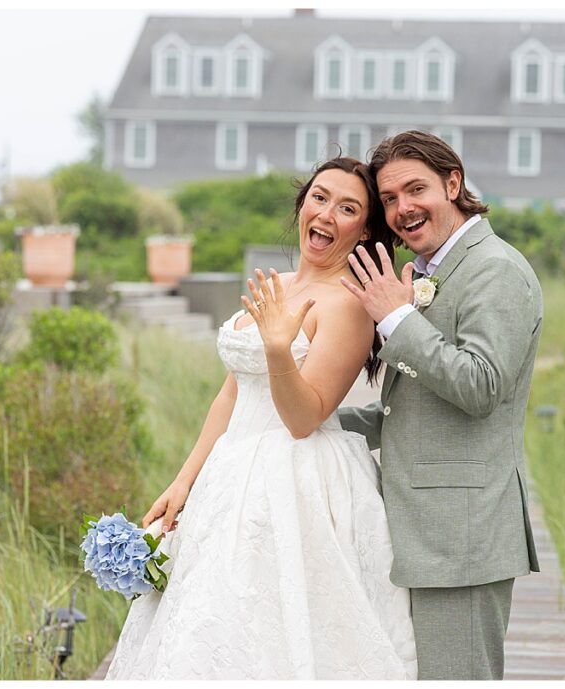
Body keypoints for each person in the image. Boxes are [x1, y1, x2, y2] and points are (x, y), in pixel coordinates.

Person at [104, 157, 418, 680]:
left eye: (347, 208)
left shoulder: (347, 306)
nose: (326, 215)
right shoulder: (280, 284)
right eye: (319, 198)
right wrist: (184, 481)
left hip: (295, 481)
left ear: (364, 228)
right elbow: (230, 395)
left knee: (282, 627)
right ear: (302, 204)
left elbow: (304, 417)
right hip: (229, 476)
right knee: (208, 623)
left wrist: (278, 350)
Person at [339, 130, 543, 680]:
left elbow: (480, 386)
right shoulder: (434, 271)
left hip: (461, 540)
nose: (402, 208)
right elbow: (416, 406)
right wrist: (321, 425)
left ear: (453, 183)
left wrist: (397, 319)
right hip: (420, 534)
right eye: (388, 198)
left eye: (415, 189)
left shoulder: (494, 270)